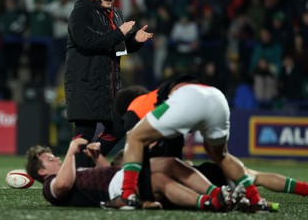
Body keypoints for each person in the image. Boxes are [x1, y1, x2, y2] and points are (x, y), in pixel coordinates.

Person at [105, 75, 276, 213]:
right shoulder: (161, 104)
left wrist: (147, 196)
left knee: (134, 137)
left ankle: (126, 196)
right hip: (217, 98)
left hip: (189, 97)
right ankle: (256, 200)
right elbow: (173, 155)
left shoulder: (137, 105)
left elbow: (138, 146)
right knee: (222, 156)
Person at [64, 0, 153, 167]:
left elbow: (117, 47)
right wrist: (118, 33)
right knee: (85, 131)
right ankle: (74, 175)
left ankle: (86, 161)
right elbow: (87, 41)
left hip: (108, 84)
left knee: (120, 125)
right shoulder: (81, 12)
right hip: (84, 82)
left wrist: (134, 41)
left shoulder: (116, 14)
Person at [25, 138, 230, 211]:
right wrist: (71, 150)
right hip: (116, 190)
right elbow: (63, 186)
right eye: (50, 159)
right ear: (42, 171)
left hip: (120, 176)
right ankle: (208, 202)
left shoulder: (72, 171)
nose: (57, 159)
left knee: (171, 163)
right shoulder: (49, 185)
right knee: (159, 180)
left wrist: (97, 158)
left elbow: (108, 171)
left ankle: (216, 193)